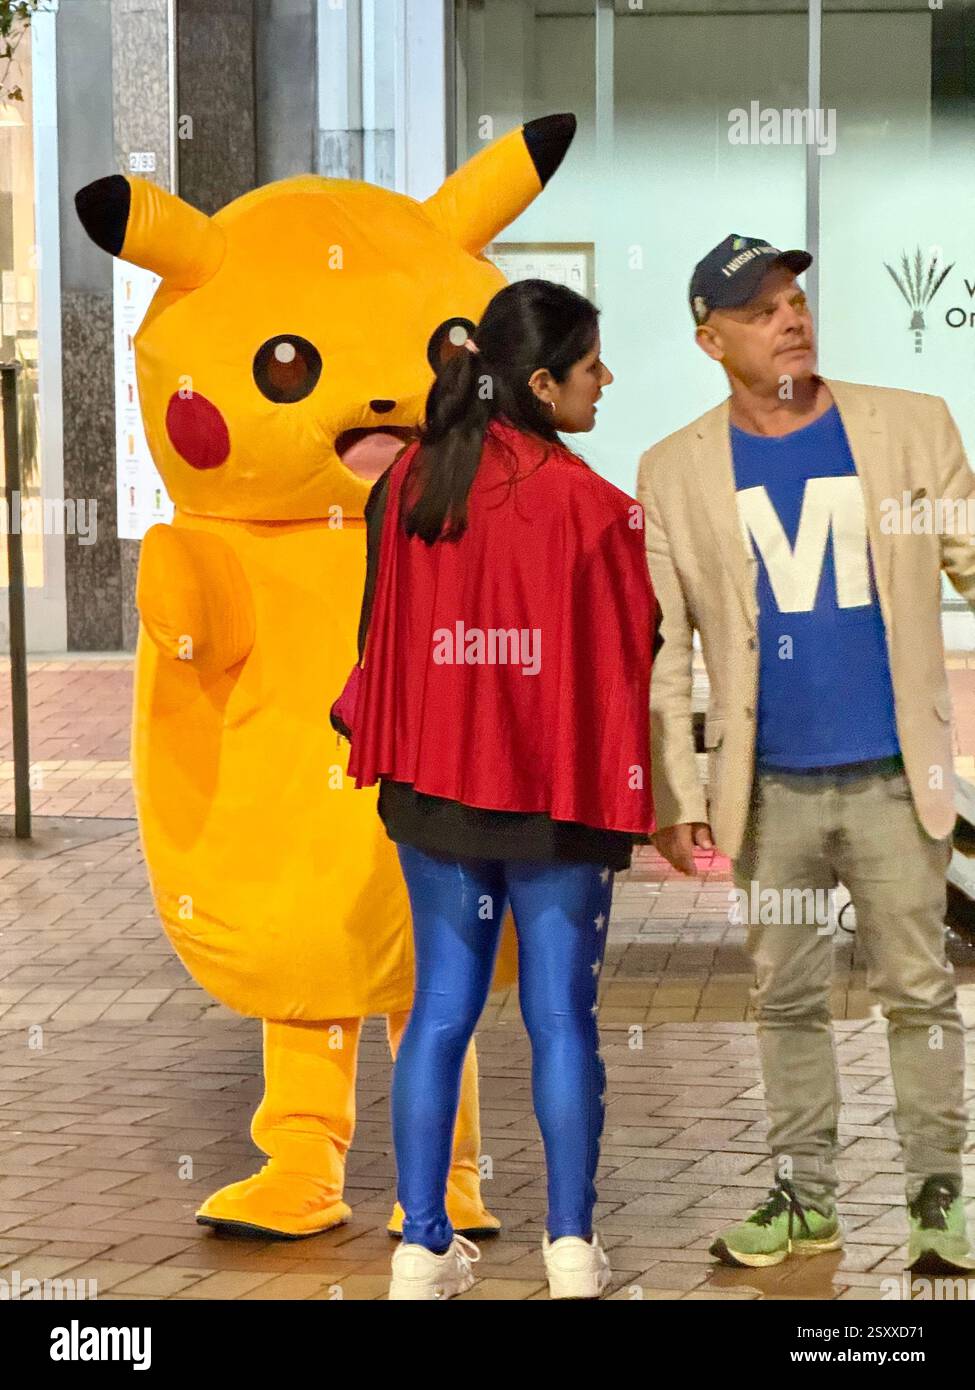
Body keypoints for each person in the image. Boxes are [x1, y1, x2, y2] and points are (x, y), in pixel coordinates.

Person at [637, 233, 975, 1274]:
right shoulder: (675, 468)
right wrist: (677, 791)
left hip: (891, 772)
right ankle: (804, 1200)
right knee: (782, 998)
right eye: (759, 308)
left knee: (919, 992)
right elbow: (667, 649)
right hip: (767, 786)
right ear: (711, 338)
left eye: (794, 297)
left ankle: (938, 1205)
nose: (790, 316)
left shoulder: (911, 429)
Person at [346, 278, 655, 1299]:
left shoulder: (405, 486)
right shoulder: (593, 506)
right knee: (563, 1017)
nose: (604, 380)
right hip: (556, 793)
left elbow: (375, 638)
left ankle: (420, 1248)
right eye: (590, 366)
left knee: (440, 1009)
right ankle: (570, 1248)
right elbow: (635, 646)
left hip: (434, 786)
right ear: (537, 381)